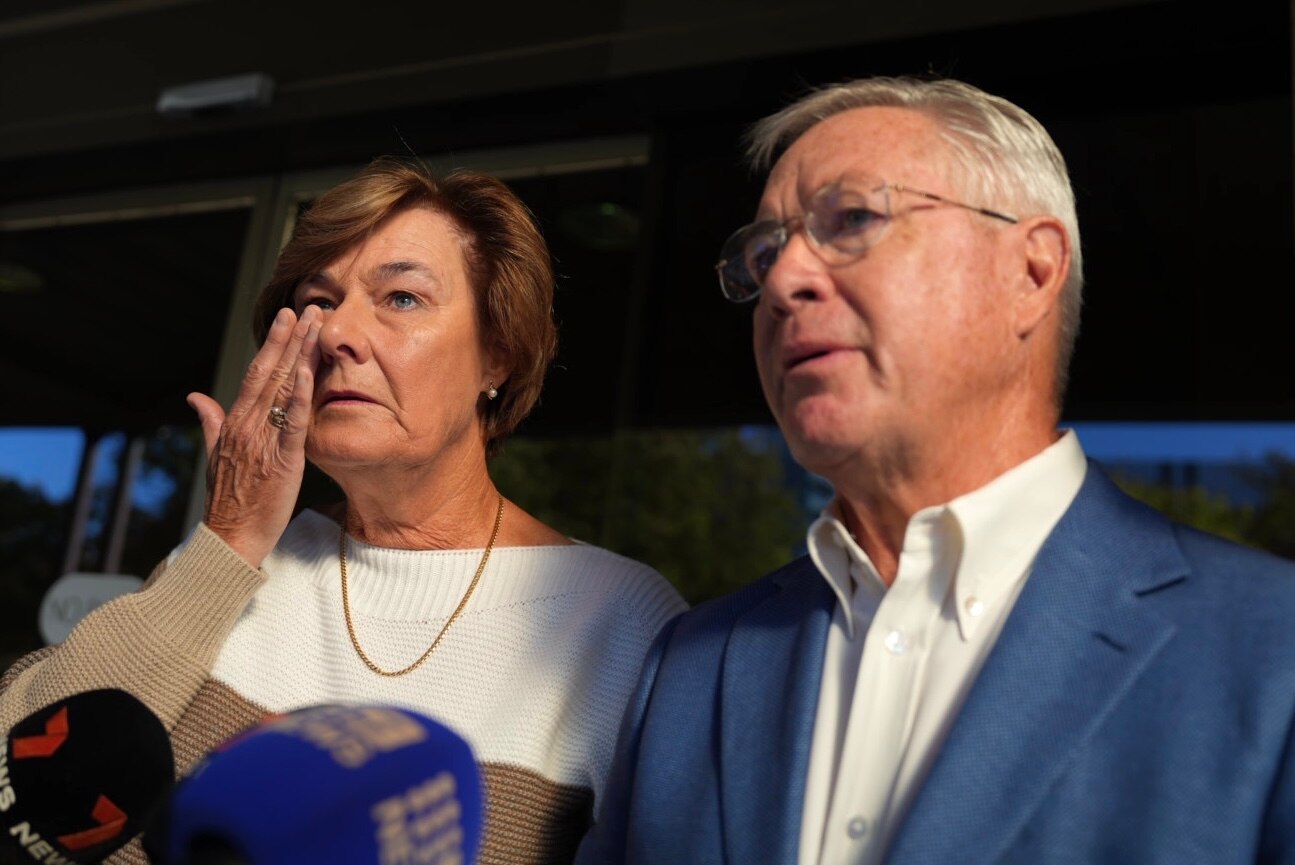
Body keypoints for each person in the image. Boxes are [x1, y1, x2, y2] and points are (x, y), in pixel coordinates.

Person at [577, 77, 1295, 864]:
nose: (782, 283)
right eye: (763, 253)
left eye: (851, 219)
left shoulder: (1268, 651)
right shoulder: (689, 668)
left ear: (1029, 271)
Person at [0, 159, 686, 865]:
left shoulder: (618, 619)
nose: (335, 335)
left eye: (401, 299)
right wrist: (228, 540)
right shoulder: (229, 559)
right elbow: (20, 793)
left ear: (499, 357)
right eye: (318, 301)